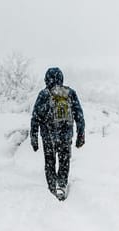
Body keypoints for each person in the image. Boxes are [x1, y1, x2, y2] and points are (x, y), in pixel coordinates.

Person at [30, 67, 85, 200]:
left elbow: (35, 117)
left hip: (48, 137)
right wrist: (80, 135)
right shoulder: (70, 93)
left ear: (47, 79)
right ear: (61, 78)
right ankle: (62, 185)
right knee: (64, 161)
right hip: (66, 136)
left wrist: (34, 138)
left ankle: (52, 188)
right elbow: (79, 115)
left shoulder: (43, 94)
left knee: (50, 162)